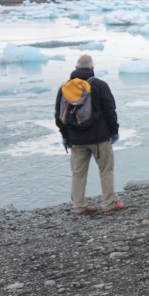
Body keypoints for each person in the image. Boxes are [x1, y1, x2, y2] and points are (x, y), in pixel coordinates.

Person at [54, 54, 123, 215]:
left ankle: (79, 206)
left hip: (76, 140)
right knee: (106, 170)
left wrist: (65, 136)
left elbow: (59, 115)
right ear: (92, 68)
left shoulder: (65, 87)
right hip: (99, 138)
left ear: (76, 68)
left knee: (78, 173)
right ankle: (108, 204)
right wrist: (114, 131)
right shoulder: (99, 85)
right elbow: (109, 110)